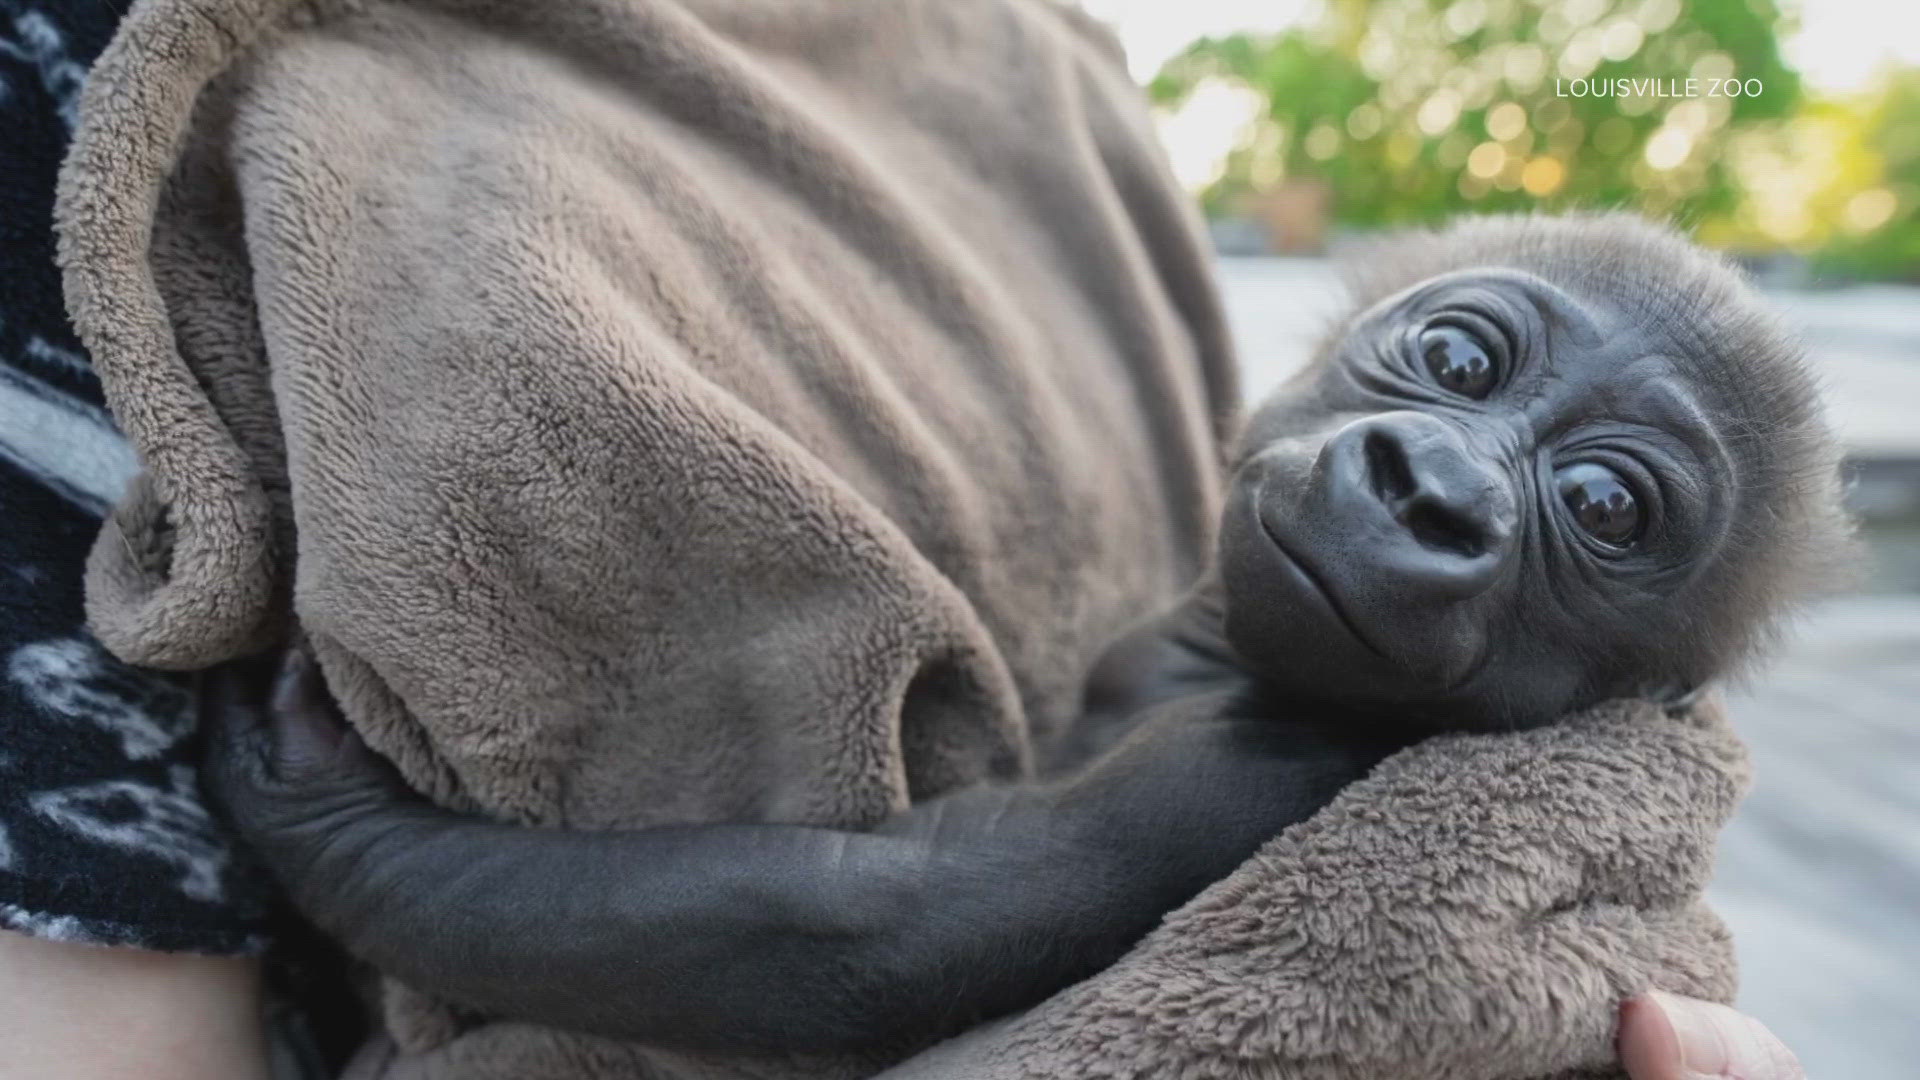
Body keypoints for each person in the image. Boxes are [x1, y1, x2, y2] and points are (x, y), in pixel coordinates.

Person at [0, 3, 1803, 1078]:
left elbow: (860, 937)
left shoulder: (1275, 770)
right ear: (1321, 350)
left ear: (1642, 684)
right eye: (1455, 360)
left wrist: (353, 854)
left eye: (1608, 509)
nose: (1445, 477)